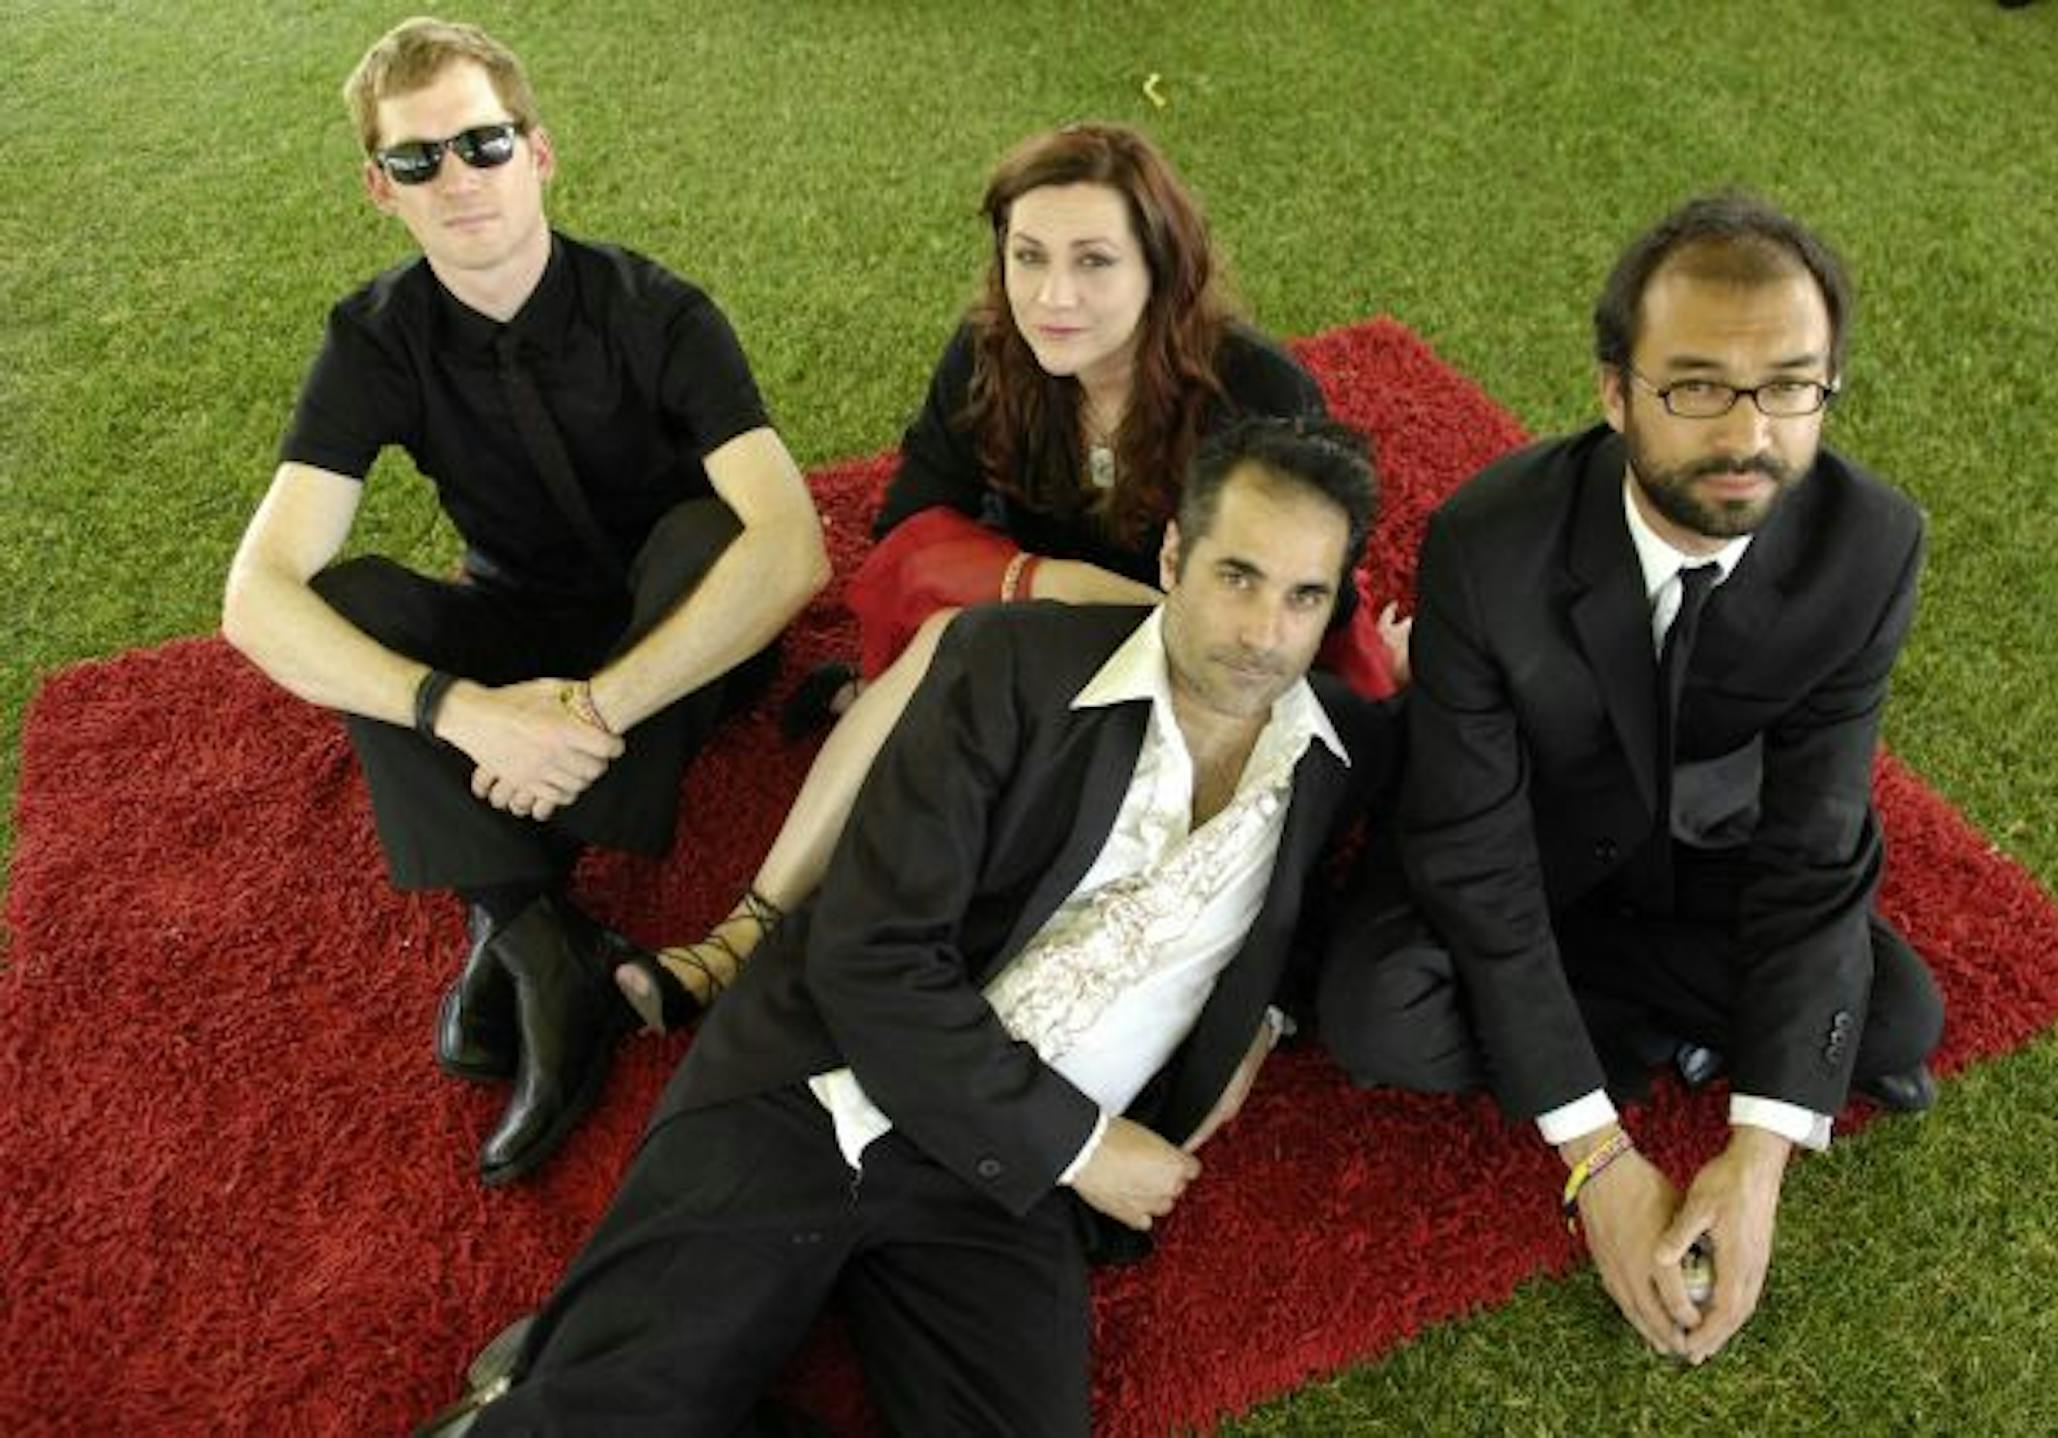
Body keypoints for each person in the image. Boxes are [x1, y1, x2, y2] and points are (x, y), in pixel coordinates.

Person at [415, 417, 1394, 1435]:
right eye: (1237, 576)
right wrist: (1083, 1148)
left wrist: (1266, 1017)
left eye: (1304, 596)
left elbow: (1340, 903)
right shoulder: (1004, 664)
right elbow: (869, 957)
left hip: (998, 1197)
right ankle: (565, 1384)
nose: (1264, 631)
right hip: (822, 1085)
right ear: (1174, 556)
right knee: (617, 1411)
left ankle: (566, 1364)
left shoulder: (1343, 753)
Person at [1317, 193, 1943, 1365]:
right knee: (1375, 1016)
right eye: (1698, 387)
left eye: (1790, 387)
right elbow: (1470, 849)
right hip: (1517, 843)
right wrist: (1597, 1156)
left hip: (1699, 850)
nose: (1749, 435)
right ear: (1615, 391)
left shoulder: (1871, 546)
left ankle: (1608, 1022)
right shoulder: (1487, 543)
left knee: (1898, 1013)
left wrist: (1759, 1155)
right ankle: (1651, 1037)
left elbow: (1816, 842)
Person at [615, 121, 1404, 1030]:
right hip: (1047, 625)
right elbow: (907, 532)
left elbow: (1298, 588)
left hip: (1195, 676)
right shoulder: (989, 354)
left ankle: (838, 962)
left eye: (1094, 261)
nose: (1052, 296)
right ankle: (746, 933)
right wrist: (1062, 585)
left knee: (968, 696)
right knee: (955, 641)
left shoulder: (1258, 393)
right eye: (1027, 257)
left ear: (1162, 266)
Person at [220, 17, 829, 1187]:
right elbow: (257, 595)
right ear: (380, 188)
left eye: (483, 143)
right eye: (418, 160)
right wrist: (461, 711)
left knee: (713, 534)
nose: (457, 179)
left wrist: (590, 712)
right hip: (509, 633)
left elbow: (794, 549)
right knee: (348, 598)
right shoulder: (374, 338)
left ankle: (508, 903)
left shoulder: (659, 311)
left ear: (538, 152)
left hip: (676, 643)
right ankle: (542, 935)